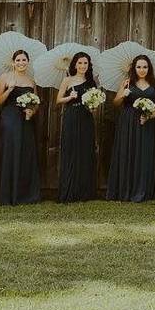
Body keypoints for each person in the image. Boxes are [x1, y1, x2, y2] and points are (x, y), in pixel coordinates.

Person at [107, 54, 155, 202]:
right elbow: (115, 103)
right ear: (134, 68)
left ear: (149, 68)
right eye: (139, 67)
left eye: (145, 67)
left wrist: (150, 116)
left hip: (147, 122)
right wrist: (122, 95)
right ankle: (127, 189)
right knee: (129, 152)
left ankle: (143, 189)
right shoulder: (127, 83)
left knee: (145, 153)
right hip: (128, 123)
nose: (142, 69)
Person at [0, 49, 42, 205]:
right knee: (11, 150)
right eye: (18, 60)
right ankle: (7, 193)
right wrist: (9, 89)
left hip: (26, 119)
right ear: (13, 62)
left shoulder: (31, 81)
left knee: (25, 152)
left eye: (24, 60)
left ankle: (24, 194)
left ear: (28, 62)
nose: (21, 63)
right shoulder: (5, 78)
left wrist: (32, 112)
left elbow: (36, 103)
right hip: (10, 118)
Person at [56, 51, 100, 202]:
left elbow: (94, 105)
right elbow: (58, 100)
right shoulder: (67, 80)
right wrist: (70, 97)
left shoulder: (91, 82)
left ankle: (84, 192)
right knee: (71, 151)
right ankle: (69, 191)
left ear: (89, 65)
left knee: (85, 151)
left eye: (85, 63)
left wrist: (93, 107)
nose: (82, 66)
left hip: (86, 118)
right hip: (71, 116)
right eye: (80, 63)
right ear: (75, 64)